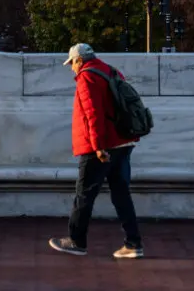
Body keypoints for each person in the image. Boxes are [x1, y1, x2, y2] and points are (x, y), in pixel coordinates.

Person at [48, 43, 143, 259]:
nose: (72, 68)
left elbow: (93, 113)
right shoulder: (111, 70)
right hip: (123, 142)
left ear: (79, 60)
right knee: (121, 195)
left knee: (84, 194)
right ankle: (133, 243)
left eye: (72, 63)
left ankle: (76, 241)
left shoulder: (87, 77)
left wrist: (98, 147)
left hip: (100, 146)